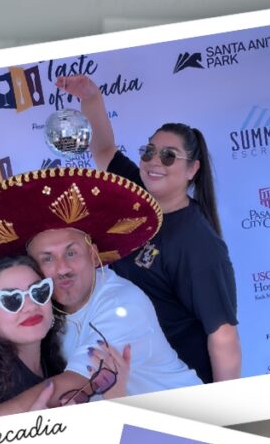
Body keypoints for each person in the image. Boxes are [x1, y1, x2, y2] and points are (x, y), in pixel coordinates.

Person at [0, 166, 201, 431]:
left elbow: (66, 387)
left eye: (72, 252)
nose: (62, 269)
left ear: (93, 254)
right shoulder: (42, 305)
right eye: (47, 259)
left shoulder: (122, 305)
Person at [57, 75, 240, 385]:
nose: (155, 162)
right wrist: (91, 99)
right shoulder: (140, 192)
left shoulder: (197, 242)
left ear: (192, 169)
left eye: (169, 156)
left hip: (175, 381)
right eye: (149, 151)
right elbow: (104, 152)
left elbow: (223, 338)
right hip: (130, 372)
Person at [0, 254, 128, 422]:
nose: (31, 305)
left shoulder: (52, 361)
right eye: (11, 299)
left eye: (39, 292)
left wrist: (115, 397)